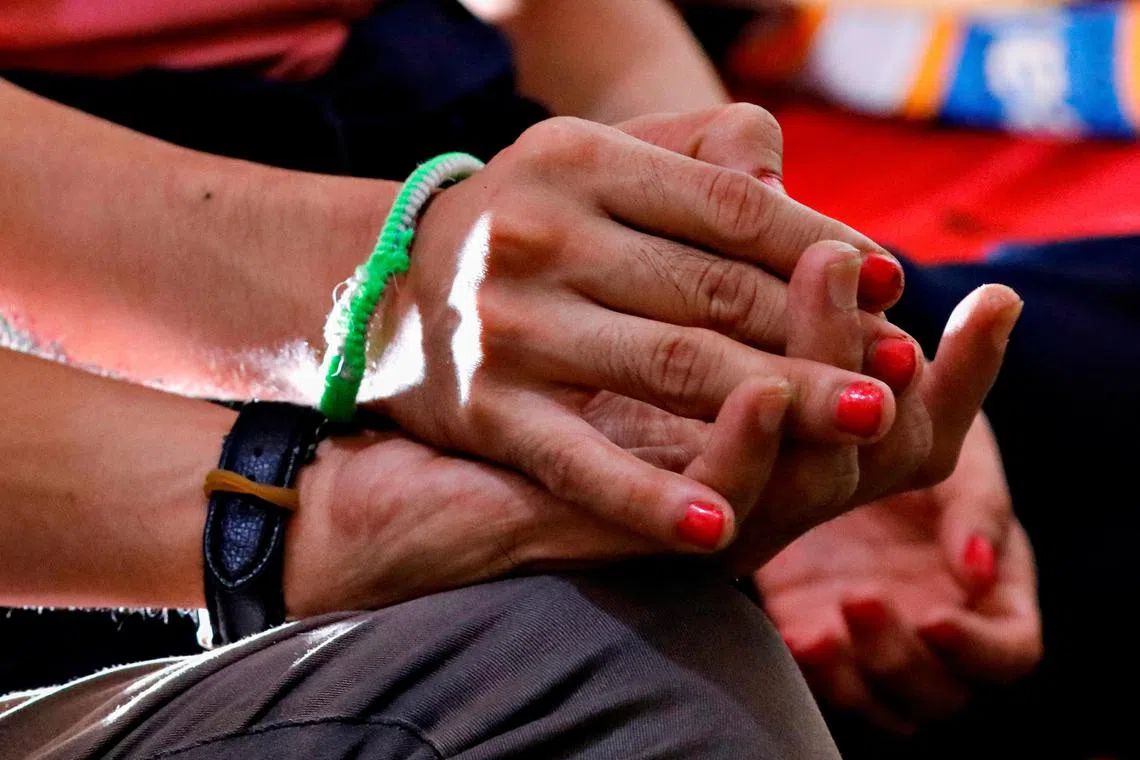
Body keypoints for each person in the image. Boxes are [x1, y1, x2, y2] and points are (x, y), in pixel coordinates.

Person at [0, 0, 1037, 749]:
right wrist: (387, 314)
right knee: (630, 659)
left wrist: (786, 296)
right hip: (134, 286)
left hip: (440, 139)